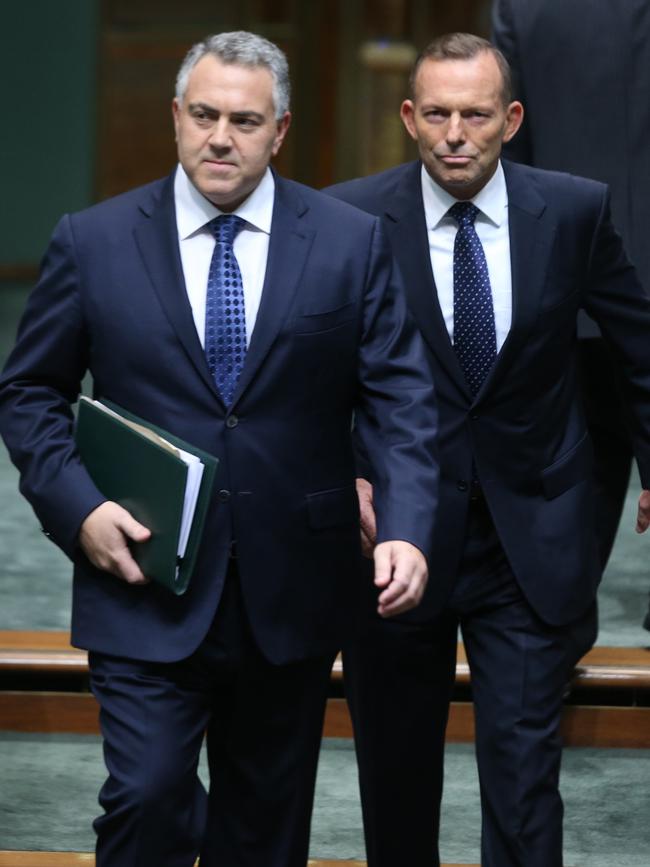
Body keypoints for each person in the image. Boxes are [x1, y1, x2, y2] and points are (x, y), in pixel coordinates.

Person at [0, 31, 440, 867]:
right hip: (140, 576)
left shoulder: (349, 242)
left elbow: (401, 396)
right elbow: (27, 394)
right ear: (175, 116)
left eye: (244, 120)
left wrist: (407, 525)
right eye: (203, 115)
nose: (219, 137)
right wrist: (79, 509)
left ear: (277, 132)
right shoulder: (91, 241)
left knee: (264, 835)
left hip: (293, 586)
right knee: (147, 795)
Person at [326, 32, 650, 867]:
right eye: (436, 113)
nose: (455, 134)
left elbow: (638, 344)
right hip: (396, 537)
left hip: (531, 530)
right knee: (395, 775)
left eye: (475, 114)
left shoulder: (572, 210)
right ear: (409, 117)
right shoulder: (352, 216)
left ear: (511, 118)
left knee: (524, 772)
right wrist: (348, 476)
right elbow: (312, 375)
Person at [492, 0, 650, 590]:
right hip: (583, 287)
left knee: (571, 503)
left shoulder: (528, 10)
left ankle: (551, 656)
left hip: (571, 285)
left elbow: (507, 150)